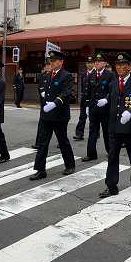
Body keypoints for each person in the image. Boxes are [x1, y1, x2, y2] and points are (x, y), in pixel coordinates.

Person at [99, 53, 131, 197]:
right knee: (112, 156)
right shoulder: (113, 83)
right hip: (115, 126)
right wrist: (106, 100)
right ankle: (111, 186)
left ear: (130, 66)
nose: (119, 67)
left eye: (123, 65)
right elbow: (113, 95)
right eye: (117, 65)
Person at [30, 50, 76, 180]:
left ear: (61, 62)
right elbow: (44, 90)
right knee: (43, 142)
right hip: (46, 115)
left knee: (62, 141)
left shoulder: (66, 76)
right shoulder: (47, 75)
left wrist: (55, 103)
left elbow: (67, 93)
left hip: (59, 115)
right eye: (51, 61)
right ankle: (40, 169)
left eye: (55, 60)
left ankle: (70, 165)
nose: (52, 63)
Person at [83, 53, 115, 162]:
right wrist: (87, 106)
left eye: (99, 61)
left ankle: (110, 152)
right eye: (95, 61)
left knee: (107, 132)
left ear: (105, 63)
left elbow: (114, 91)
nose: (96, 63)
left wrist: (106, 99)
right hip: (93, 108)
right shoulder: (91, 75)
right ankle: (91, 154)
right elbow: (88, 92)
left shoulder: (110, 75)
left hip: (105, 109)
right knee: (92, 131)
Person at [73, 56, 95, 141]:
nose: (89, 64)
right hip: (84, 99)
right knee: (82, 117)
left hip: (92, 99)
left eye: (91, 63)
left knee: (93, 118)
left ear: (93, 64)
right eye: (88, 63)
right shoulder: (84, 74)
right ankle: (79, 134)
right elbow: (83, 87)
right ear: (86, 64)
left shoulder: (96, 74)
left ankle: (94, 134)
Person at [32, 60, 52, 150]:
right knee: (42, 124)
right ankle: (38, 143)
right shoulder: (42, 75)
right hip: (44, 103)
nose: (48, 67)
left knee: (57, 126)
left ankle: (61, 142)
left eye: (49, 65)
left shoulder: (54, 75)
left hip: (52, 104)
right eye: (46, 66)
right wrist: (42, 92)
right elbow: (40, 86)